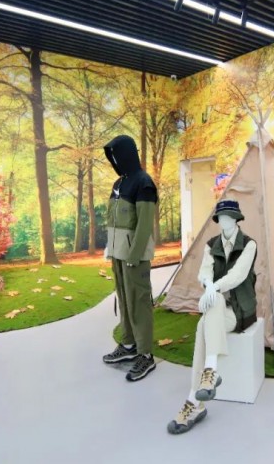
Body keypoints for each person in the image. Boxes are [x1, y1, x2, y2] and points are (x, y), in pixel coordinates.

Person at [168, 200, 257, 434]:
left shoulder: (249, 245)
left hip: (240, 310)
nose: (224, 220)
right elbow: (204, 272)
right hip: (218, 308)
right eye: (221, 217)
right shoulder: (211, 245)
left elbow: (238, 275)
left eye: (228, 216)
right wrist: (208, 286)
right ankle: (207, 377)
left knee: (205, 321)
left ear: (236, 219)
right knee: (209, 314)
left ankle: (195, 401)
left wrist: (212, 288)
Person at [101, 135, 158, 382]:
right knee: (124, 300)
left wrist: (134, 255)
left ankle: (145, 354)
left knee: (139, 302)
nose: (115, 160)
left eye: (117, 154)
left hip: (135, 256)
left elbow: (144, 224)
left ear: (127, 154)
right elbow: (113, 220)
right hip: (118, 255)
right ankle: (128, 345)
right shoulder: (119, 183)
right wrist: (111, 249)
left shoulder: (144, 182)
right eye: (111, 156)